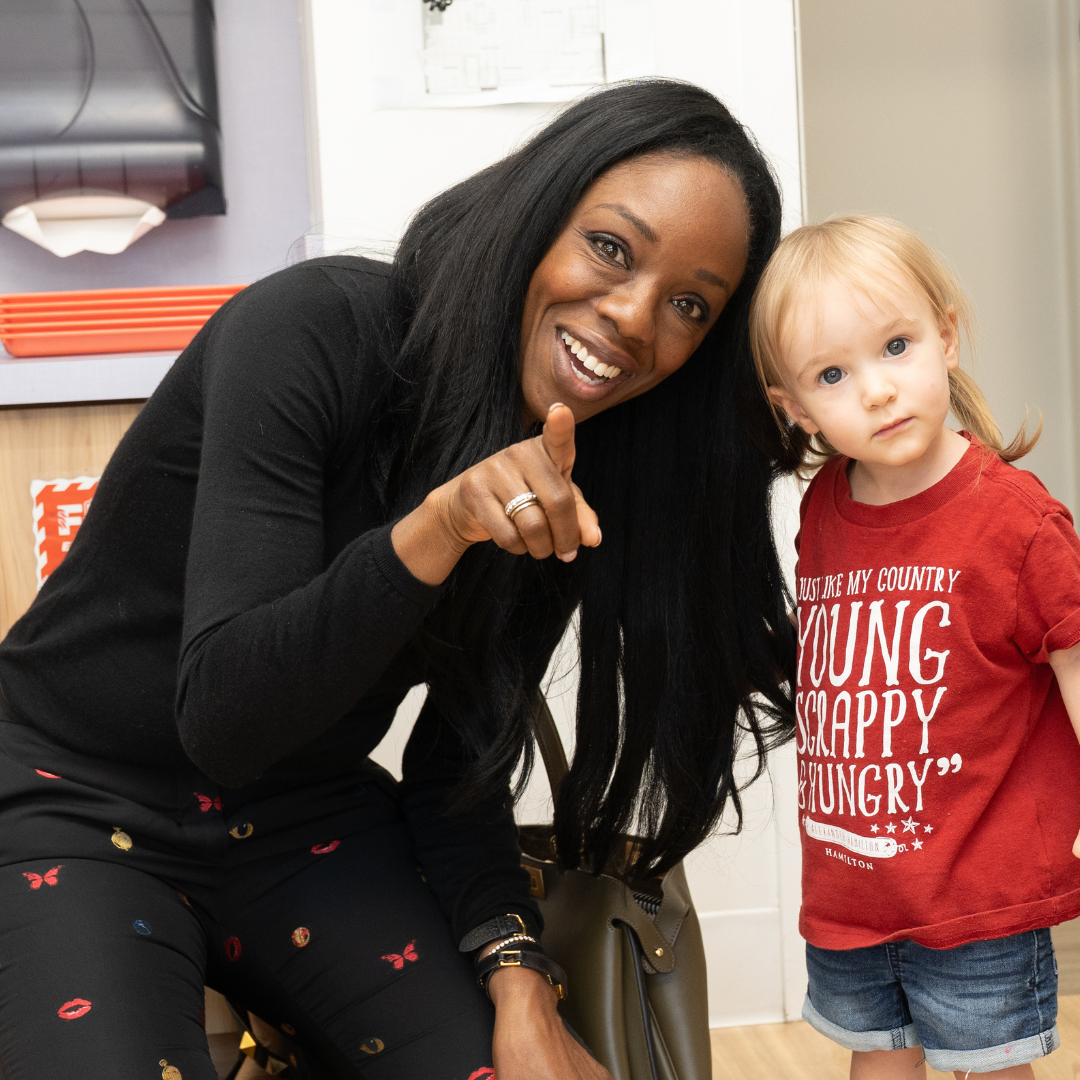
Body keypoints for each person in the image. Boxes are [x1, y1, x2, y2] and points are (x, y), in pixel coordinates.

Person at [0, 80, 795, 1080]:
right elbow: (226, 717)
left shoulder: (570, 473)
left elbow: (457, 767)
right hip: (68, 791)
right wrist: (441, 527)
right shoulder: (314, 328)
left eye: (690, 306)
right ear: (537, 213)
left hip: (300, 818)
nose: (635, 318)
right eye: (611, 247)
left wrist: (520, 976)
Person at [749, 213, 1080, 1079]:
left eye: (896, 347)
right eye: (832, 373)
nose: (876, 389)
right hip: (853, 884)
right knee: (876, 1060)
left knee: (991, 1064)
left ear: (947, 336)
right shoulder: (825, 505)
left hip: (978, 893)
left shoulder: (1017, 522)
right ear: (794, 407)